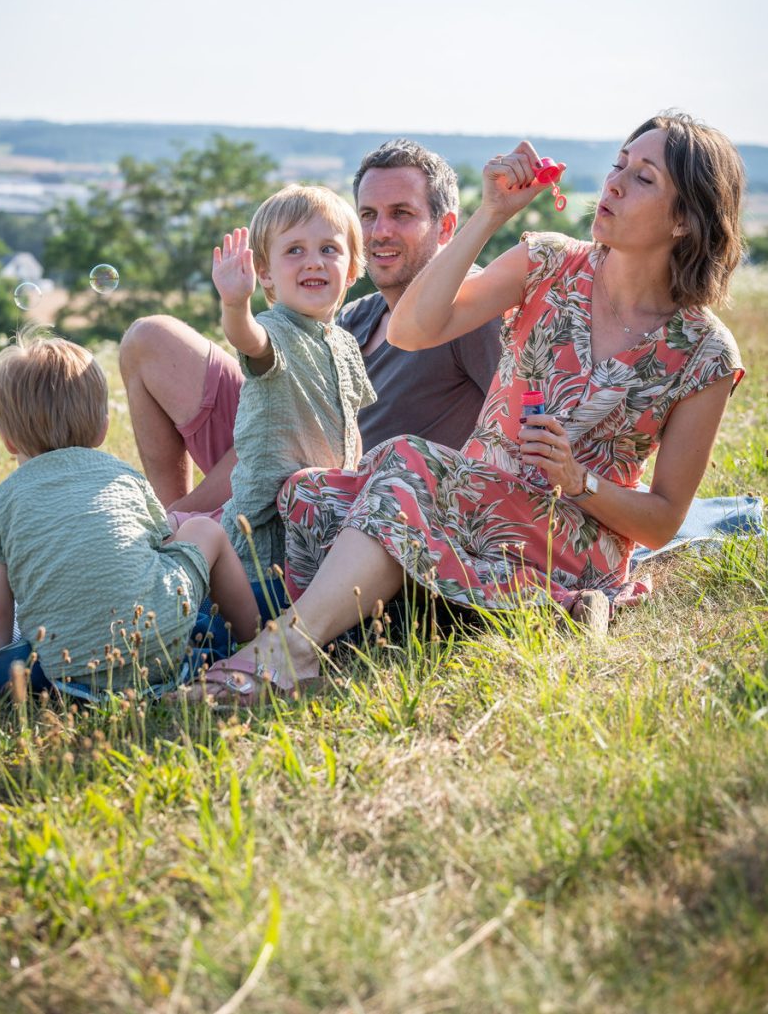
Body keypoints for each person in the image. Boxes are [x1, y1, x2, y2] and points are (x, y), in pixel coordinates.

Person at [183, 112, 746, 702]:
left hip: (569, 539)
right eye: (617, 166)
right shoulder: (549, 263)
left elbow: (662, 521)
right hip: (465, 501)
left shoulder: (703, 353)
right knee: (310, 493)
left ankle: (289, 651)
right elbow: (413, 329)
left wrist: (578, 481)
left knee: (401, 462)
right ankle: (348, 629)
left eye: (644, 178)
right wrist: (492, 214)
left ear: (685, 218)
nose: (614, 184)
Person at [119, 139, 502, 516]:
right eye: (368, 215)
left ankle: (180, 527)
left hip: (348, 509)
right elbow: (276, 419)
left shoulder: (470, 311)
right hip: (277, 463)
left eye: (401, 213)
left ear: (447, 227)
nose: (380, 231)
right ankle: (174, 531)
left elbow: (517, 433)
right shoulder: (355, 317)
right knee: (150, 338)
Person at [0, 331, 258, 690]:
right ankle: (251, 635)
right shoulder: (121, 475)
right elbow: (162, 545)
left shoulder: (2, 500)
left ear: (8, 440)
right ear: (103, 428)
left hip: (69, 669)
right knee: (203, 530)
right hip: (160, 642)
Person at [208, 184, 374, 577]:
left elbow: (352, 423)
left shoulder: (347, 343)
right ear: (264, 273)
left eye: (329, 249)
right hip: (267, 526)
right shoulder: (274, 329)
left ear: (351, 270)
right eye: (294, 250)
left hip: (326, 514)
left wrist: (358, 478)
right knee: (259, 607)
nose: (314, 262)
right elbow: (249, 339)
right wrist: (235, 304)